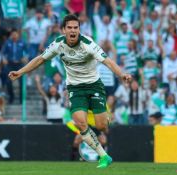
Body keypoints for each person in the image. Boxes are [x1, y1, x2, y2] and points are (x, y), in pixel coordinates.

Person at [8, 14, 132, 168]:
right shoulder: (58, 44)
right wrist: (20, 72)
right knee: (80, 123)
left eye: (76, 28)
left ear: (79, 29)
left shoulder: (88, 44)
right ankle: (104, 156)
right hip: (75, 88)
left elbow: (108, 61)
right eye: (70, 28)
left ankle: (104, 119)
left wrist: (122, 74)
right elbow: (40, 59)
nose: (73, 31)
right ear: (64, 30)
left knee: (101, 126)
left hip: (94, 85)